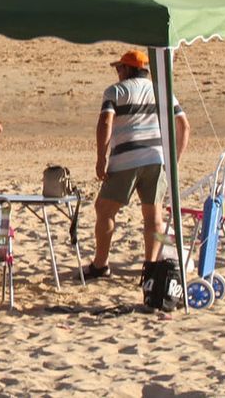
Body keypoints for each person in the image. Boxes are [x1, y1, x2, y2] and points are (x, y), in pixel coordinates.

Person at [87, 49, 190, 279]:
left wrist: (101, 157)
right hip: (156, 158)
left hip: (125, 158)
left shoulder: (116, 91)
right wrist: (173, 161)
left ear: (128, 69)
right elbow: (184, 125)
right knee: (153, 218)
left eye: (119, 68)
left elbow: (105, 121)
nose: (117, 72)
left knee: (104, 209)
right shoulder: (163, 91)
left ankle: (101, 264)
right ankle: (150, 266)